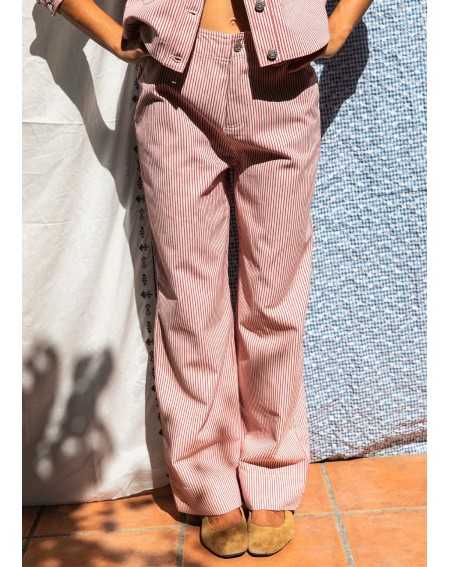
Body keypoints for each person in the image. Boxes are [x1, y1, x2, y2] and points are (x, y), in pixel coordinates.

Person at [35, 0, 373, 558]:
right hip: (176, 85)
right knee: (190, 303)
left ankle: (272, 468)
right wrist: (116, 38)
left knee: (275, 302)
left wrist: (339, 24)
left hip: (283, 81)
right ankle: (207, 478)